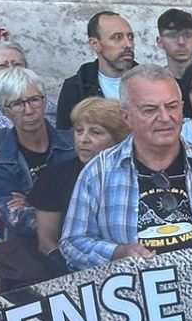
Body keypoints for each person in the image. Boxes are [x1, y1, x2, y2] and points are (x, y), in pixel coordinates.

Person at [61, 67, 192, 265]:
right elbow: (73, 243)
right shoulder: (98, 173)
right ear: (126, 116)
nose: (164, 117)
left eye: (171, 106)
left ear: (182, 108)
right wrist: (117, 253)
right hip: (133, 292)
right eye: (150, 109)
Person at [30, 97, 127, 258]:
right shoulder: (54, 178)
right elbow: (47, 243)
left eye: (95, 132)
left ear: (118, 138)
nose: (83, 139)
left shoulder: (133, 174)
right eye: (79, 130)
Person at [0, 66, 73, 239]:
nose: (29, 110)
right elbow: (19, 221)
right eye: (17, 104)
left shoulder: (74, 144)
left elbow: (98, 201)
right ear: (4, 110)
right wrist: (71, 205)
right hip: (33, 251)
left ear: (45, 101)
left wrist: (33, 203)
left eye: (34, 100)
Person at [55, 9, 138, 127]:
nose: (128, 44)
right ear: (95, 44)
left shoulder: (149, 82)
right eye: (117, 37)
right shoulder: (77, 87)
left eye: (130, 37)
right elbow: (66, 139)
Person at [157, 7, 192, 80]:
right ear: (160, 42)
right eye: (172, 36)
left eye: (187, 36)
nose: (181, 42)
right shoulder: (155, 83)